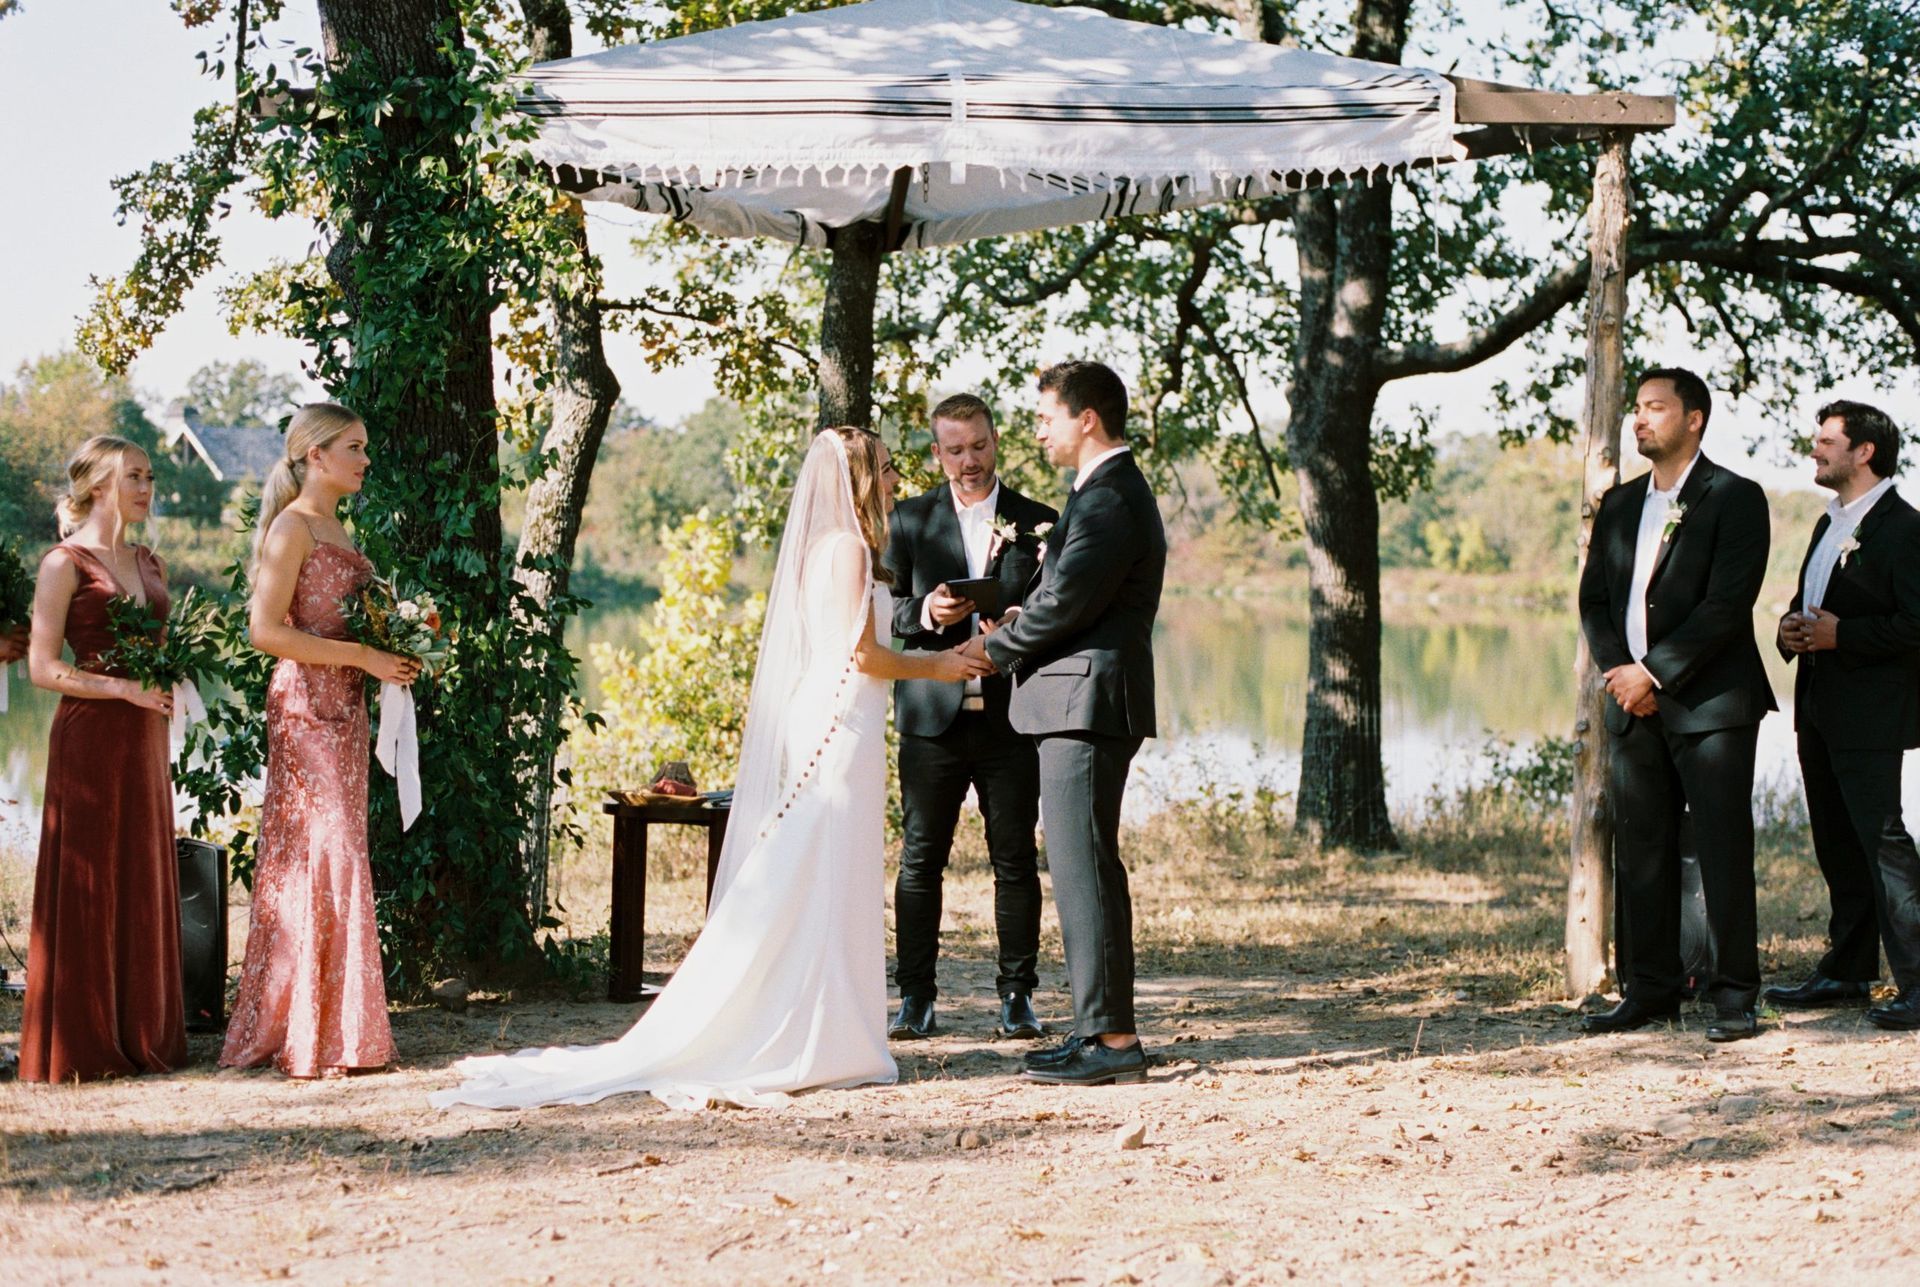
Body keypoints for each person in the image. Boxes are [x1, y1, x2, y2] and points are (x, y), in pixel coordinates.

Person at [432, 426, 992, 1111]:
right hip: (838, 722)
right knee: (820, 863)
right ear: (858, 477)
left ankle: (831, 1026)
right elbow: (862, 656)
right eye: (885, 466)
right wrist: (936, 662)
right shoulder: (845, 549)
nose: (897, 477)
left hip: (842, 715)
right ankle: (812, 1031)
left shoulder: (840, 547)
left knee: (827, 867)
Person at [964, 361, 1166, 1087]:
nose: (1038, 425)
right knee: (1083, 865)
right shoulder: (1094, 494)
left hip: (1087, 705)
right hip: (1074, 700)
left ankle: (1111, 1040)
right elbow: (1066, 597)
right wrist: (1019, 614)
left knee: (1083, 867)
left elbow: (1068, 606)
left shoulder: (1112, 497)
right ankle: (1097, 1028)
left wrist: (989, 649)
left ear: (1087, 418)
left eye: (1047, 412)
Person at [1577, 367, 1776, 1043]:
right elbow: (1594, 600)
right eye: (1637, 408)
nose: (1640, 419)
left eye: (1656, 407)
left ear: (1694, 418)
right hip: (1630, 705)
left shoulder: (1737, 498)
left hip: (1712, 705)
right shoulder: (1621, 504)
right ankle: (1650, 990)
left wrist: (1653, 674)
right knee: (1643, 848)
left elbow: (1726, 606)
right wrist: (1619, 674)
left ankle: (1735, 995)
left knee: (1723, 846)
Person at [220, 403, 418, 1079]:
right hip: (306, 707)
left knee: (339, 847)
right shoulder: (292, 527)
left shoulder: (339, 526)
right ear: (315, 455)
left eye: (365, 446)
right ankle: (315, 1032)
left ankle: (333, 1024)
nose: (366, 459)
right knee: (325, 847)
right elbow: (264, 630)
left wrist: (394, 652)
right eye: (354, 447)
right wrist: (363, 655)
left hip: (349, 708)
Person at [885, 393, 1059, 1040]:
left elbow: (1054, 607)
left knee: (1014, 859)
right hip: (931, 716)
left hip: (1011, 718)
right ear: (937, 452)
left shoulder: (1039, 521)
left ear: (996, 442)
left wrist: (1018, 622)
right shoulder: (905, 520)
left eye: (978, 446)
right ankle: (915, 1000)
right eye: (954, 449)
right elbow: (887, 614)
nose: (968, 461)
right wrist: (928, 612)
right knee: (920, 858)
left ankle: (1018, 998)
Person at [19, 436, 186, 1083]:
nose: (146, 487)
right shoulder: (64, 563)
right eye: (133, 476)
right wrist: (119, 687)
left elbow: (162, 653)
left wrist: (171, 685)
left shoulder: (151, 562)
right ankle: (83, 1042)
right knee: (92, 877)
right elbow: (41, 667)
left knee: (141, 867)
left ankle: (142, 1029)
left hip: (145, 736)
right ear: (96, 486)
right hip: (89, 737)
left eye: (150, 475)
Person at [1767, 400, 1920, 1031]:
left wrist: (1842, 638)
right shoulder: (1828, 523)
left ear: (1865, 452)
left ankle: (1916, 980)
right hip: (1818, 711)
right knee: (1836, 842)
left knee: (1882, 843)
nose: (1815, 448)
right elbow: (1812, 605)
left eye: (1828, 440)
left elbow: (1917, 624)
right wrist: (1790, 629)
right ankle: (1849, 970)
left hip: (1872, 716)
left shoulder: (1905, 528)